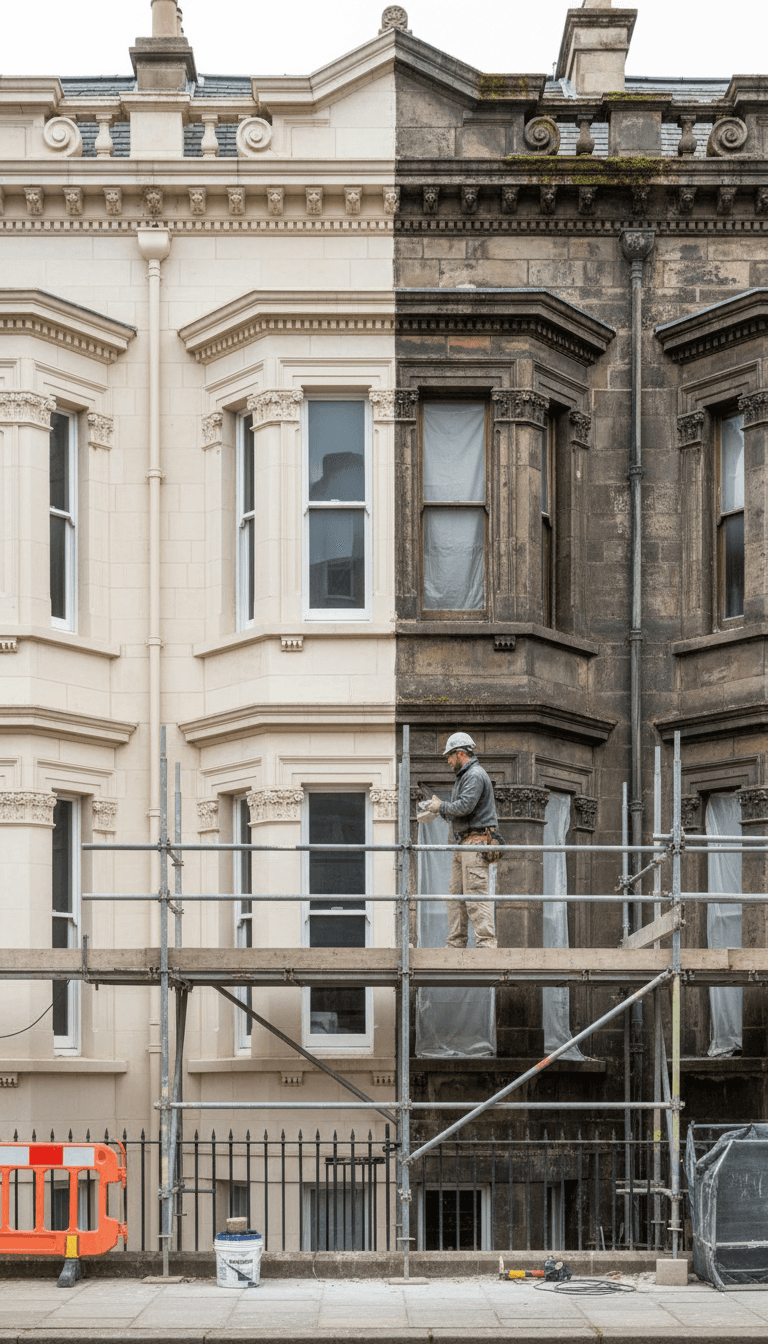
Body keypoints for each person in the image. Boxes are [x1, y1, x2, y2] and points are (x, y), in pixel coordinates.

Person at [419, 732, 499, 949]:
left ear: (460, 753)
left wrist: (440, 806)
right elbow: (459, 812)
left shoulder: (474, 775)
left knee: (475, 896)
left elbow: (465, 807)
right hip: (465, 843)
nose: (448, 760)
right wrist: (439, 808)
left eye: (449, 756)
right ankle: (456, 944)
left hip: (475, 843)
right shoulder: (466, 776)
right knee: (455, 898)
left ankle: (486, 946)